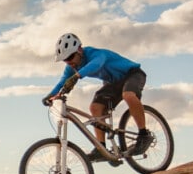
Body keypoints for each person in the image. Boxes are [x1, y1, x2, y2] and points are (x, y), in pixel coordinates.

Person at [41, 32, 151, 162]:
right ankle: (101, 149)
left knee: (128, 95)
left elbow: (96, 64)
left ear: (80, 50)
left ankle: (144, 135)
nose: (69, 62)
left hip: (133, 74)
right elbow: (62, 82)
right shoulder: (72, 67)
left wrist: (76, 76)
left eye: (70, 57)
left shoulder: (95, 54)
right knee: (95, 107)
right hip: (113, 83)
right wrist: (50, 95)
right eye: (65, 59)